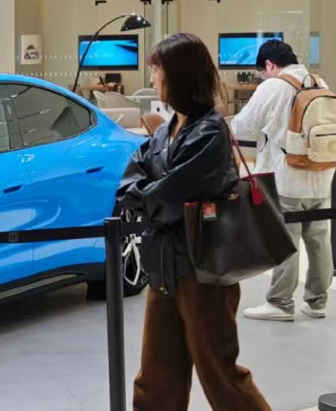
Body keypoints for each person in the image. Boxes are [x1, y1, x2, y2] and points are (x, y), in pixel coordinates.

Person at [118, 33, 271, 411]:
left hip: (203, 268)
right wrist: (148, 192)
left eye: (157, 69)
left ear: (178, 74)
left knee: (220, 374)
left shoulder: (210, 131)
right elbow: (131, 184)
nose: (152, 76)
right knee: (157, 378)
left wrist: (146, 193)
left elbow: (170, 195)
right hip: (163, 267)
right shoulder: (164, 130)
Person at [233, 40, 336, 321]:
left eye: (262, 71)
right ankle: (317, 302)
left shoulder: (273, 86)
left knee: (286, 239)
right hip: (321, 174)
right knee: (318, 239)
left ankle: (280, 302)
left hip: (286, 177)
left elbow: (242, 126)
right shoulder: (318, 82)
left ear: (269, 64)